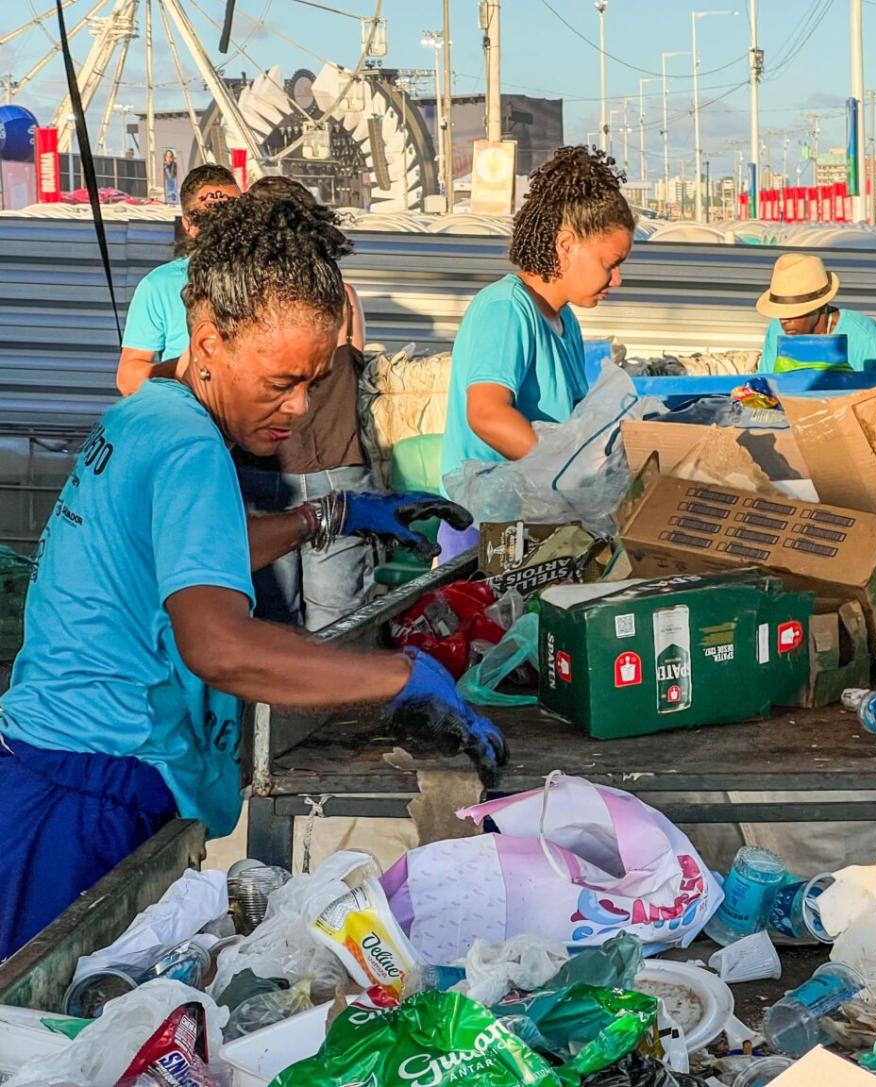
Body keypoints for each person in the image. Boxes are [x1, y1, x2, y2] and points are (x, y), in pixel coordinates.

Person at [0, 194, 501, 959]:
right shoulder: (191, 448)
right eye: (279, 381)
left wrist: (330, 517)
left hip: (40, 762)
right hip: (90, 789)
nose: (298, 409)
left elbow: (190, 553)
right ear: (208, 341)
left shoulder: (145, 415)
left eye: (314, 381)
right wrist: (399, 674)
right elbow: (216, 643)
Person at [439, 146, 635, 561]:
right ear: (566, 245)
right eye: (610, 263)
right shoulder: (506, 309)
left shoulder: (565, 322)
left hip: (534, 522)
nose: (616, 280)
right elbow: (487, 414)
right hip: (485, 530)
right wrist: (567, 479)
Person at [232, 175, 376, 630]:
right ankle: (332, 701)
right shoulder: (343, 296)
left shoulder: (243, 301)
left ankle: (276, 705)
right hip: (338, 469)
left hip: (263, 474)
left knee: (269, 624)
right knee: (338, 622)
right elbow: (355, 368)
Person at [117, 163, 240, 395]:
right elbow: (127, 378)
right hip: (190, 419)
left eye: (234, 216)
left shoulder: (267, 276)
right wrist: (187, 369)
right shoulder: (159, 285)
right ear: (188, 224)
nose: (223, 227)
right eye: (209, 218)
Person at [755, 253, 876, 373]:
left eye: (793, 312)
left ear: (818, 307)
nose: (784, 320)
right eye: (780, 312)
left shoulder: (865, 337)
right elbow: (767, 384)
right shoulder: (776, 329)